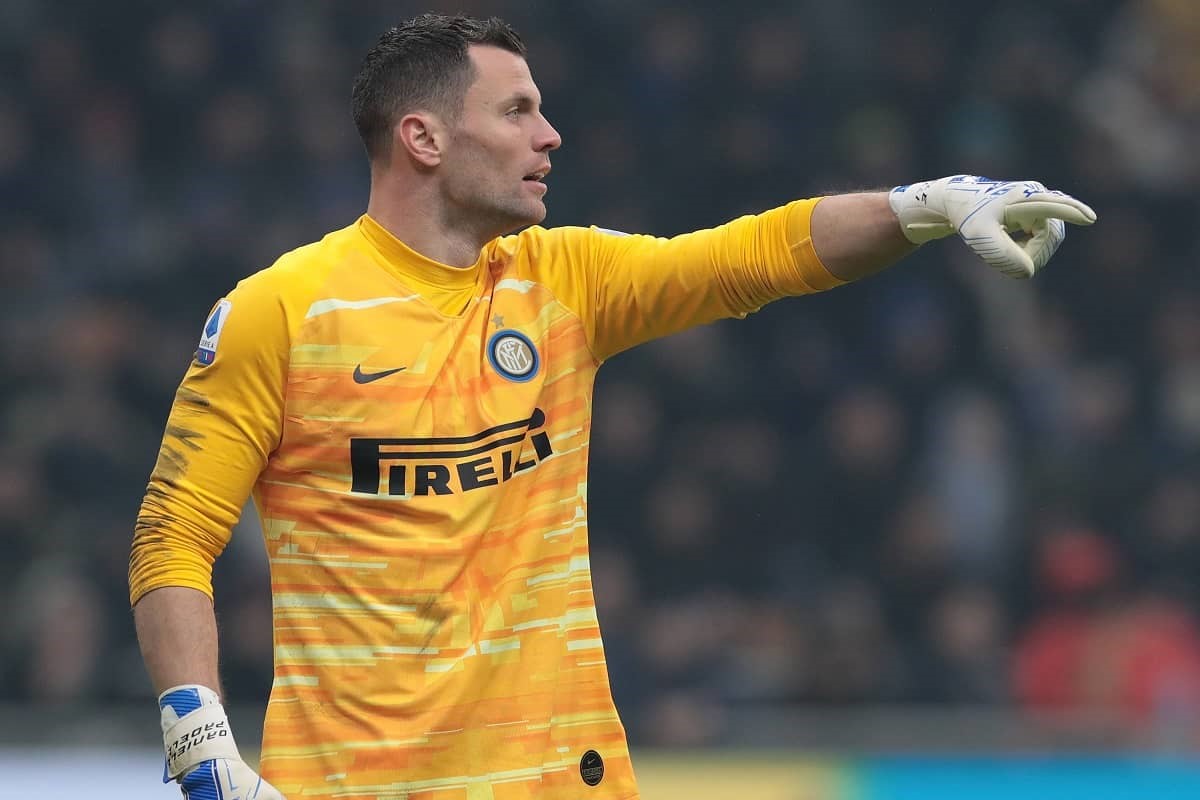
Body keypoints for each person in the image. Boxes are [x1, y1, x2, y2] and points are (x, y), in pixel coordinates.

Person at [128, 12, 1096, 800]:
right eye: (517, 111)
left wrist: (927, 204)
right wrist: (199, 737)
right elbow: (173, 536)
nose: (549, 135)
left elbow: (748, 256)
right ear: (422, 137)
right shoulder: (281, 313)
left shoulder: (564, 282)